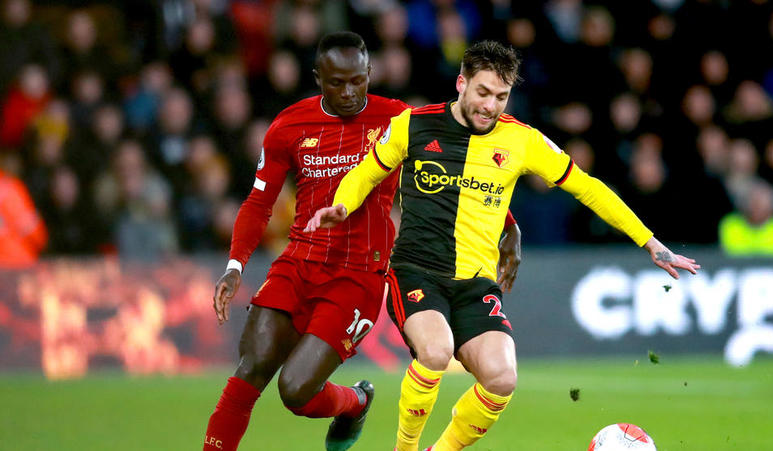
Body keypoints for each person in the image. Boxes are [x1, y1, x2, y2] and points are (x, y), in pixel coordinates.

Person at [306, 40, 701, 451]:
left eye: (501, 96)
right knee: (436, 351)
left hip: (476, 284)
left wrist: (649, 241)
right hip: (417, 270)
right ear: (461, 83)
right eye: (482, 92)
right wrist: (342, 204)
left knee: (501, 378)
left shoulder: (521, 140)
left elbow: (588, 187)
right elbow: (366, 172)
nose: (491, 106)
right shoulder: (413, 125)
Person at [203, 32, 522, 451]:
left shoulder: (399, 119)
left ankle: (355, 401)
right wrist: (234, 266)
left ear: (369, 73)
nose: (350, 92)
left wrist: (508, 225)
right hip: (298, 262)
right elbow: (259, 203)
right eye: (337, 83)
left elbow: (460, 177)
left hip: (358, 274)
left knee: (295, 390)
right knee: (251, 368)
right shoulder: (288, 126)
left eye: (358, 80)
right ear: (318, 78)